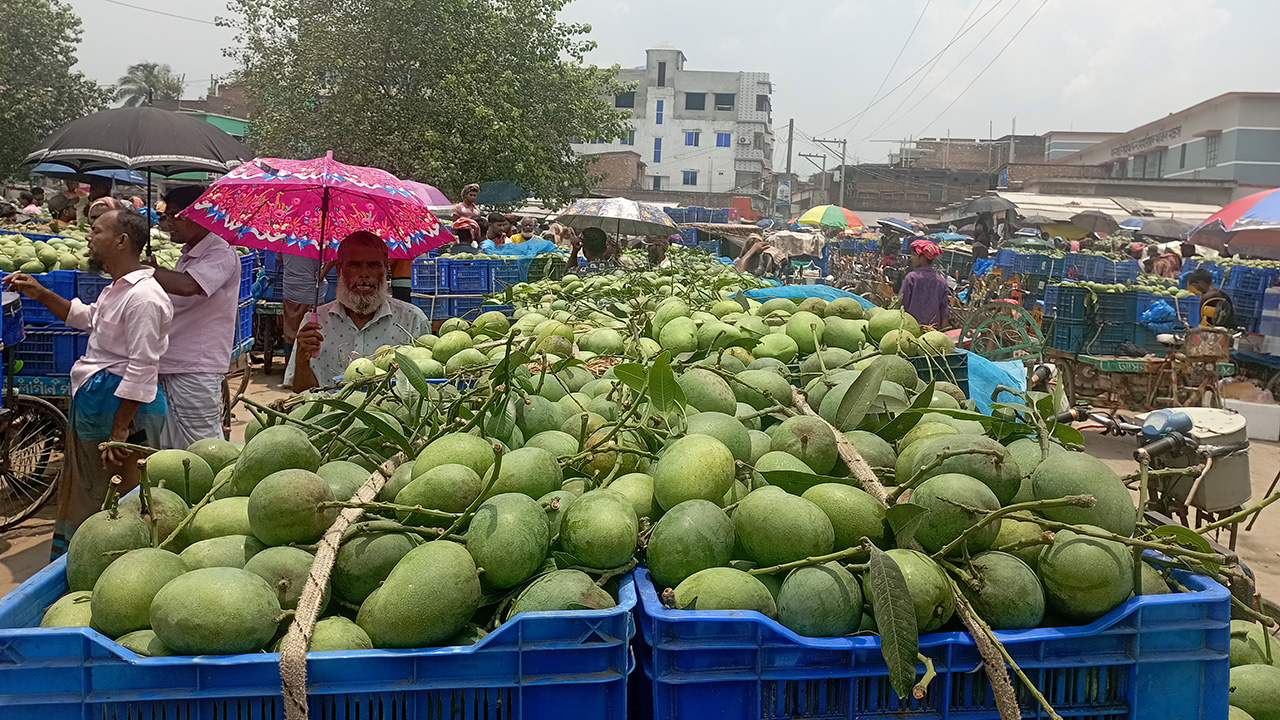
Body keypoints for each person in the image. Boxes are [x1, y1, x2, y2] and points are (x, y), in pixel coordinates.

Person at [2, 208, 172, 558]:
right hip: (102, 400)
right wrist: (40, 292)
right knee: (91, 490)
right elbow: (90, 318)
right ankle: (82, 561)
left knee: (116, 498)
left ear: (122, 241)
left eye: (96, 231)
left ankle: (114, 566)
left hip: (121, 407)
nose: (89, 238)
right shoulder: (119, 290)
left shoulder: (144, 298)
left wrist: (121, 429)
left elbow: (142, 367)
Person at [152, 186, 243, 448]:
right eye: (167, 216)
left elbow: (190, 286)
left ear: (201, 215)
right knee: (170, 446)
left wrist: (147, 271)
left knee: (204, 447)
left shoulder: (221, 253)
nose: (169, 223)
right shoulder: (188, 255)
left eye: (176, 215)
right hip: (173, 362)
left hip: (195, 367)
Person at [286, 231, 431, 392]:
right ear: (339, 270)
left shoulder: (413, 321)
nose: (364, 274)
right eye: (354, 265)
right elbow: (302, 394)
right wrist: (302, 359)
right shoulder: (314, 324)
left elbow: (426, 389)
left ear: (385, 269)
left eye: (373, 265)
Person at [280, 252, 325, 361]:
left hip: (294, 290)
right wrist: (322, 273)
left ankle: (292, 370)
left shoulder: (284, 238)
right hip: (308, 291)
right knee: (312, 334)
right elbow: (334, 256)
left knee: (291, 334)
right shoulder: (315, 240)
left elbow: (279, 260)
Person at [901, 239, 950, 328]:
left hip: (911, 327)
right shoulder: (942, 282)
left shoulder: (911, 277)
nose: (912, 258)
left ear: (922, 258)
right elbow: (944, 311)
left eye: (915, 255)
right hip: (932, 331)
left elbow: (901, 303)